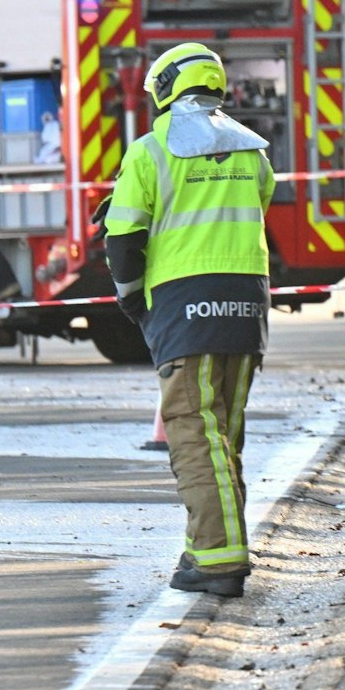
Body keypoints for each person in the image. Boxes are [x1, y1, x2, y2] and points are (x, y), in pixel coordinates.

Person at [102, 43, 276, 598]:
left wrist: (133, 300)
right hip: (247, 303)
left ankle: (220, 559)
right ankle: (205, 546)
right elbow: (254, 211)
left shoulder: (150, 152)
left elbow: (124, 240)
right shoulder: (254, 153)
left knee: (193, 434)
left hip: (184, 303)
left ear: (165, 88)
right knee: (222, 434)